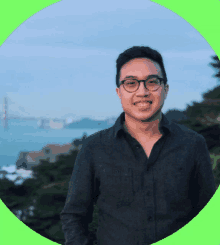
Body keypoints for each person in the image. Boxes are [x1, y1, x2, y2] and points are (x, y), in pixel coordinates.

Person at [60, 46, 216, 245]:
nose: (142, 92)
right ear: (119, 92)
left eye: (152, 82)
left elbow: (207, 216)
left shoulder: (192, 144)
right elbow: (74, 216)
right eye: (131, 83)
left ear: (165, 89)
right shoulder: (94, 148)